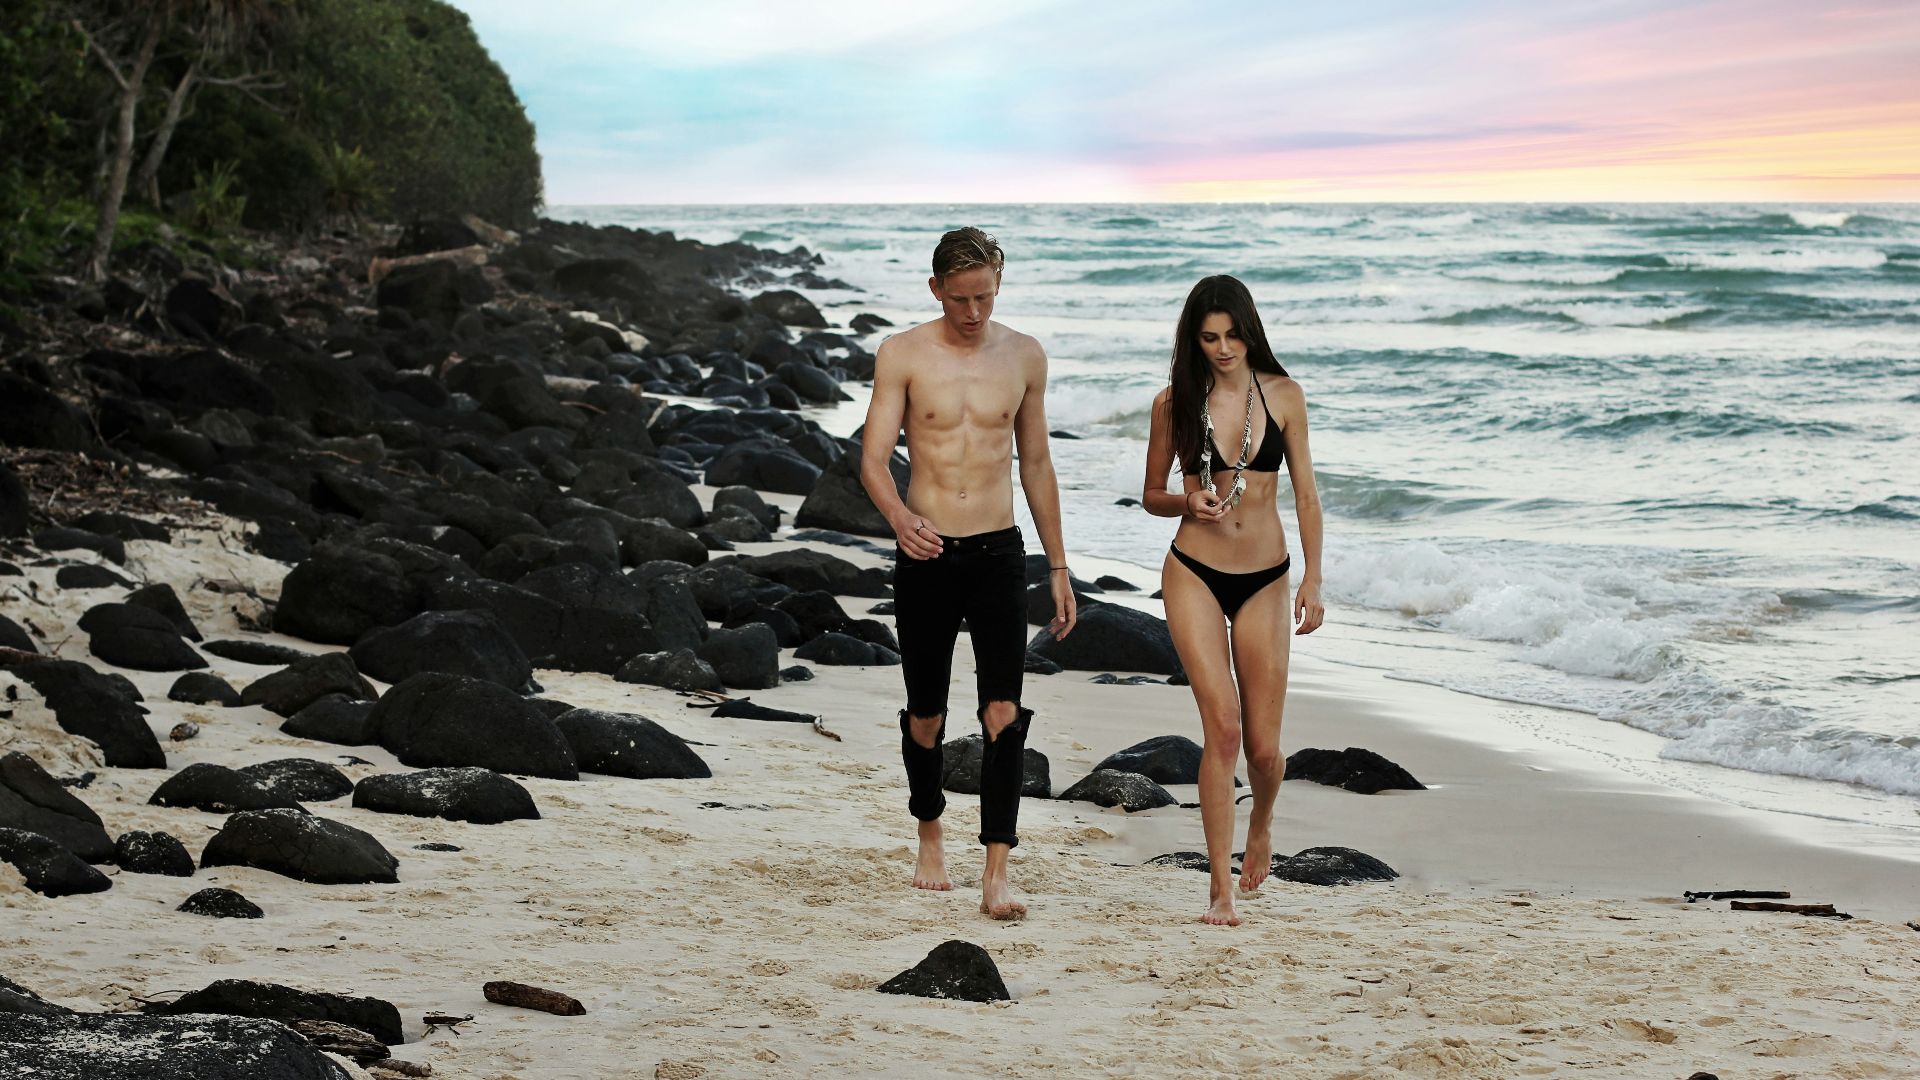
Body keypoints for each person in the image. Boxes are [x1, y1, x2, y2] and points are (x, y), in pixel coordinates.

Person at [859, 226, 1076, 921]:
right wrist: (899, 518)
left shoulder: (1025, 356)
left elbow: (1036, 463)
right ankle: (930, 835)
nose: (973, 311)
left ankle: (996, 872)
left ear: (998, 284)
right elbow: (872, 458)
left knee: (1002, 712)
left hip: (998, 553)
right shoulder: (902, 353)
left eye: (984, 295)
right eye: (959, 299)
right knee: (926, 713)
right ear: (936, 290)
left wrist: (1061, 565)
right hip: (925, 552)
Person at [1139, 275, 1325, 925]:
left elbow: (1305, 495)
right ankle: (1219, 889)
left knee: (1264, 750)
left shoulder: (1284, 397)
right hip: (1193, 567)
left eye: (1233, 335)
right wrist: (1185, 500)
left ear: (1251, 331)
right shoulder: (1174, 403)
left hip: (1267, 576)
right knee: (1220, 729)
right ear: (1194, 339)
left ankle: (1263, 824)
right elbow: (1151, 495)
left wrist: (1313, 579)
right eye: (1210, 337)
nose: (1223, 349)